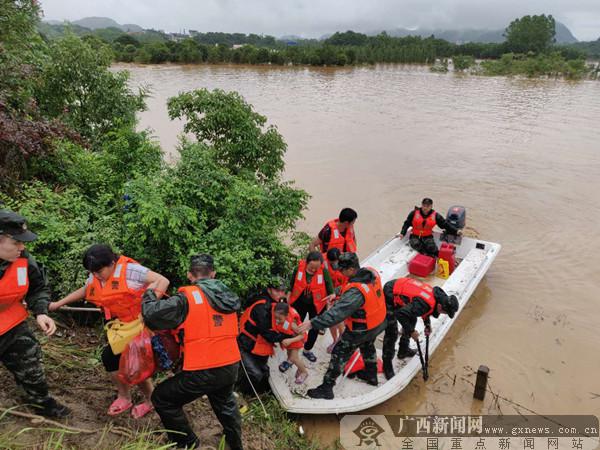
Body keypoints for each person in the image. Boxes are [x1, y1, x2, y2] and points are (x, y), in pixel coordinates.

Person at [50, 244, 169, 418]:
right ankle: (124, 396)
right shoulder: (95, 275)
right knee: (111, 359)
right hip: (119, 327)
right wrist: (59, 303)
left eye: (99, 271)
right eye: (93, 272)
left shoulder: (131, 271)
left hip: (140, 325)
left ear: (112, 263)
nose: (95, 276)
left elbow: (163, 280)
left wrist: (148, 306)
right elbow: (87, 290)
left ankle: (151, 399)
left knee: (134, 362)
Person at [141, 254, 243, 450]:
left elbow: (152, 316)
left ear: (189, 275)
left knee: (162, 398)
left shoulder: (187, 298)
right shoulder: (228, 295)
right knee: (225, 402)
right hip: (230, 365)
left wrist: (150, 294)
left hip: (204, 368)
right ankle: (235, 445)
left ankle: (187, 443)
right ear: (213, 274)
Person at [0, 210, 70, 418]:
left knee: (30, 365)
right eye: (17, 242)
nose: (22, 247)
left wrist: (40, 312)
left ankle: (40, 402)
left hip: (11, 324)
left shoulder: (23, 259)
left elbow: (38, 288)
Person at [297, 253, 387, 400]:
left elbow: (335, 315)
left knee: (339, 353)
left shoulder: (356, 293)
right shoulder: (370, 273)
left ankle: (327, 388)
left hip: (360, 329)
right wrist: (337, 293)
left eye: (342, 270)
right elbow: (350, 287)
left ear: (351, 269)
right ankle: (371, 375)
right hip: (378, 322)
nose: (340, 272)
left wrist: (312, 323)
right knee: (367, 345)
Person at [381, 277, 459, 380]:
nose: (443, 314)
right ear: (440, 307)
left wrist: (427, 324)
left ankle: (403, 351)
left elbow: (425, 308)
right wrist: (412, 331)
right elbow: (400, 314)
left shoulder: (439, 298)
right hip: (391, 292)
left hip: (404, 291)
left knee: (412, 319)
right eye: (444, 312)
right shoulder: (425, 304)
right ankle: (387, 366)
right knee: (392, 331)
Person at [237, 277, 292, 393]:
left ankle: (257, 393)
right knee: (255, 374)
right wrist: (288, 337)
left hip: (258, 344)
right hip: (245, 345)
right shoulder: (262, 307)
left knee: (265, 374)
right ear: (269, 290)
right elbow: (268, 334)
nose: (280, 294)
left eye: (282, 291)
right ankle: (243, 393)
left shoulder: (276, 304)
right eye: (277, 291)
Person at [288, 251, 335, 362]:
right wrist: (288, 298)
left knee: (314, 328)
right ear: (307, 262)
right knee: (295, 327)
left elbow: (330, 289)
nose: (314, 270)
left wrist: (332, 295)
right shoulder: (298, 268)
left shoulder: (323, 271)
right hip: (299, 302)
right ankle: (292, 354)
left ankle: (307, 350)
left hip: (317, 305)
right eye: (311, 267)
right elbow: (291, 284)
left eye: (316, 268)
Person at [272, 302, 309, 384]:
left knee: (294, 358)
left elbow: (302, 335)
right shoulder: (279, 316)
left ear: (287, 315)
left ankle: (304, 372)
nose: (277, 320)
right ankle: (291, 362)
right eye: (275, 318)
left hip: (296, 340)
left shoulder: (292, 324)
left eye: (279, 319)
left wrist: (290, 341)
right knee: (289, 354)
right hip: (289, 339)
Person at [323, 248, 346, 353]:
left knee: (339, 319)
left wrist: (335, 292)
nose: (334, 264)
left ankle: (341, 340)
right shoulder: (324, 261)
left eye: (336, 262)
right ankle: (335, 340)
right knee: (331, 320)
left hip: (342, 294)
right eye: (332, 263)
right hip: (329, 295)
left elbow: (347, 284)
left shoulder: (347, 266)